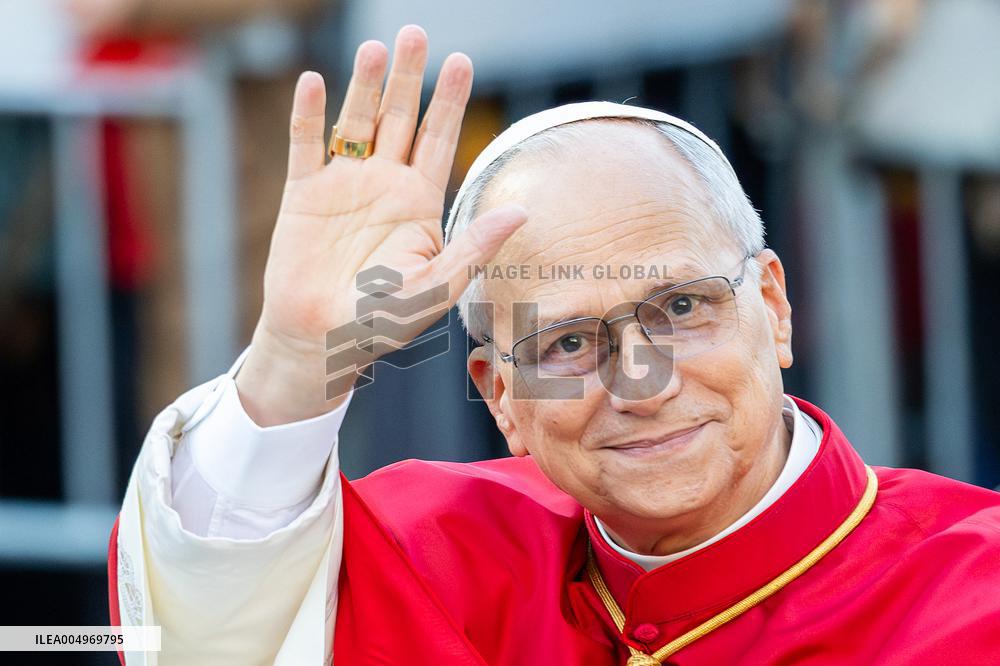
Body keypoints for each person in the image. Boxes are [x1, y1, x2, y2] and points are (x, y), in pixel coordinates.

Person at [108, 25, 1000, 665]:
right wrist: (298, 361)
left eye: (680, 306)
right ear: (500, 396)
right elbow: (205, 633)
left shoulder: (975, 588)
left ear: (773, 305)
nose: (642, 382)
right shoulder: (430, 556)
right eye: (567, 342)